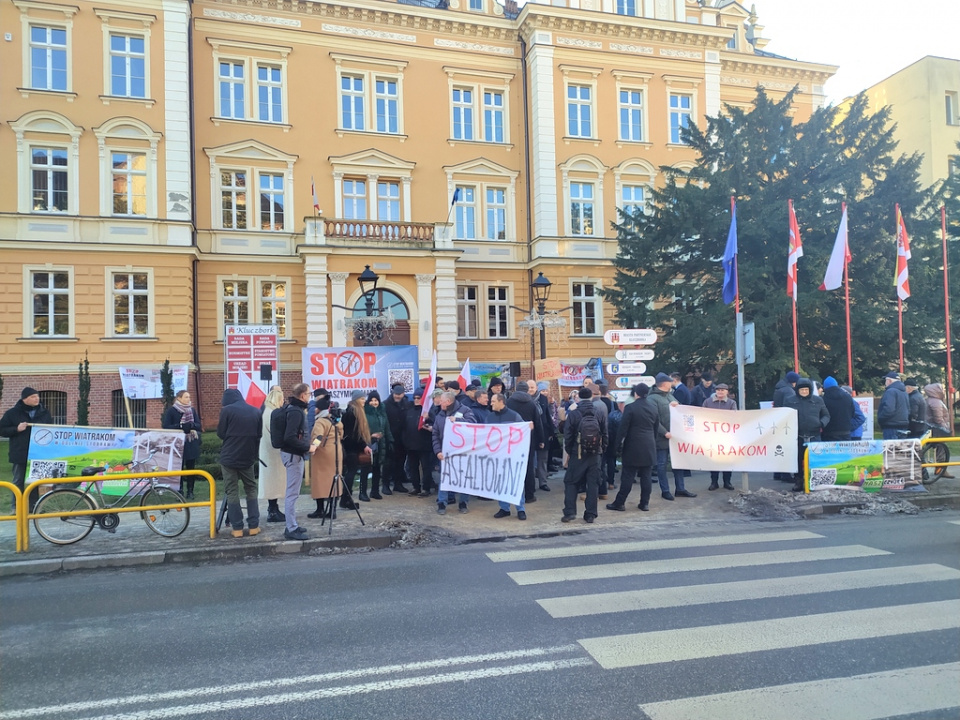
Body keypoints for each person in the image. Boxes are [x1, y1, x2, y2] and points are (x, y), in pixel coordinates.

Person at [217, 388, 263, 538]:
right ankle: (254, 526)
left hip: (229, 457)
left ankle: (237, 528)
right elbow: (259, 435)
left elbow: (221, 434)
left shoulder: (227, 411)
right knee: (251, 489)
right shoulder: (256, 411)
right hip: (247, 457)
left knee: (232, 491)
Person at [0, 387, 53, 511]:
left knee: (35, 481)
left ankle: (34, 507)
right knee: (18, 481)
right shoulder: (12, 413)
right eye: (33, 397)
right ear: (25, 399)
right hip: (20, 452)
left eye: (37, 396)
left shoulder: (44, 413)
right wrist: (16, 429)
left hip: (38, 453)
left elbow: (50, 429)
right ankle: (16, 508)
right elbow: (2, 429)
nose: (37, 399)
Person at [607, 383, 657, 512]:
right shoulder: (653, 407)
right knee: (646, 476)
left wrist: (616, 446)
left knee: (628, 476)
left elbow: (623, 429)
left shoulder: (630, 408)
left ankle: (620, 503)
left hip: (633, 446)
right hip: (649, 445)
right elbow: (655, 429)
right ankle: (644, 503)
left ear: (636, 394)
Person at [562, 387, 607, 523]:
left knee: (571, 482)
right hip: (595, 454)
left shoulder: (574, 414)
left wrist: (570, 452)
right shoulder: (598, 412)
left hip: (578, 453)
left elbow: (568, 435)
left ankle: (570, 512)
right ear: (591, 397)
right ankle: (590, 514)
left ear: (579, 398)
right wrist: (601, 449)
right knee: (593, 484)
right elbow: (605, 433)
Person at [649, 373, 696, 500]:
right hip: (662, 437)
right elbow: (654, 420)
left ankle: (680, 488)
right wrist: (664, 432)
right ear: (664, 384)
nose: (672, 383)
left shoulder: (670, 395)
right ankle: (665, 490)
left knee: (678, 463)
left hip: (675, 437)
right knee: (662, 464)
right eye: (670, 382)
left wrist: (678, 406)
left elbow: (679, 412)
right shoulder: (652, 399)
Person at [277, 383, 315, 540]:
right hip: (293, 455)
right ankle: (291, 528)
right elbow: (290, 437)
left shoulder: (293, 409)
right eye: (309, 393)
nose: (310, 396)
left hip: (292, 455)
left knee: (293, 492)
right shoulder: (296, 411)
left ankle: (292, 525)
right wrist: (308, 447)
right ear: (302, 395)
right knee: (292, 493)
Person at [432, 390, 478, 515]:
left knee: (464, 478)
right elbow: (435, 435)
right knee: (444, 479)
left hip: (463, 453)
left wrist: (458, 420)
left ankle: (463, 503)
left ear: (448, 401)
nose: (439, 403)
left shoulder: (465, 410)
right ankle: (442, 503)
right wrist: (438, 451)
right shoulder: (440, 415)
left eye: (441, 401)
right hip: (445, 454)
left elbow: (473, 424)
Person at [785, 378, 830, 492]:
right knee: (798, 460)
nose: (804, 391)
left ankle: (814, 481)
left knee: (815, 460)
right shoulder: (790, 400)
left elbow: (826, 415)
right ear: (797, 390)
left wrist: (821, 424)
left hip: (814, 435)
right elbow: (784, 415)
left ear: (810, 390)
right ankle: (799, 481)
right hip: (797, 435)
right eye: (802, 390)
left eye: (806, 389)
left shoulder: (818, 400)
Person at [487, 393, 527, 520]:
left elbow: (523, 431)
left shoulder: (514, 416)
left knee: (515, 481)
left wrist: (528, 427)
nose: (491, 403)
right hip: (497, 456)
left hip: (512, 455)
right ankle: (504, 508)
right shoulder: (490, 417)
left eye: (493, 401)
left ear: (501, 401)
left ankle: (520, 508)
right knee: (500, 482)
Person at [507, 380, 544, 504]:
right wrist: (541, 440)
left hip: (512, 440)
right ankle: (529, 495)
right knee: (528, 467)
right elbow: (538, 423)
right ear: (526, 390)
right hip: (529, 440)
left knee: (514, 467)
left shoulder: (509, 402)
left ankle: (514, 493)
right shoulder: (531, 403)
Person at [161, 390, 202, 499]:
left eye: (189, 397)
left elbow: (198, 425)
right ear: (179, 398)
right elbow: (166, 426)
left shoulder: (192, 410)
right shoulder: (172, 411)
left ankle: (190, 491)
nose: (189, 399)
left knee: (190, 468)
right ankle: (179, 491)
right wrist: (180, 426)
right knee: (179, 469)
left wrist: (191, 425)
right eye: (186, 397)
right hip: (177, 444)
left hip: (190, 443)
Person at [307, 394, 343, 519]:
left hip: (322, 455)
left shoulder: (320, 422)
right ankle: (332, 510)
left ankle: (320, 509)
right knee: (334, 480)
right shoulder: (335, 421)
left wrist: (314, 447)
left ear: (318, 409)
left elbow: (318, 437)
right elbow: (341, 434)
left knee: (320, 481)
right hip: (335, 453)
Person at [259, 385, 287, 522]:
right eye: (282, 400)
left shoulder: (267, 411)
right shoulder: (271, 413)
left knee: (273, 481)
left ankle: (274, 508)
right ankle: (272, 511)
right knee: (273, 482)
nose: (283, 402)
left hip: (268, 452)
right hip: (272, 453)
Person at [340, 390, 372, 508]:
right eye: (362, 399)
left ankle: (345, 499)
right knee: (351, 473)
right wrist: (363, 446)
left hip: (351, 446)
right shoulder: (352, 412)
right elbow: (354, 433)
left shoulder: (353, 411)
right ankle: (346, 499)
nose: (364, 401)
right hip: (350, 448)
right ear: (356, 399)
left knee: (351, 473)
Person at [702, 383, 737, 490]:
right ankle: (714, 482)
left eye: (723, 390)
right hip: (712, 436)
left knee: (727, 459)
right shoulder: (708, 402)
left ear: (727, 391)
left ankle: (727, 482)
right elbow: (701, 415)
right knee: (713, 460)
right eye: (718, 390)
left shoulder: (732, 403)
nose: (720, 392)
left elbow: (735, 417)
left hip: (727, 436)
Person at [402, 388, 435, 496]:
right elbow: (404, 427)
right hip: (411, 445)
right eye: (415, 398)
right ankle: (416, 487)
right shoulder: (409, 410)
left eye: (419, 398)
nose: (416, 400)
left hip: (425, 445)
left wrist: (429, 418)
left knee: (426, 468)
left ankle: (426, 488)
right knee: (413, 468)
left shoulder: (428, 411)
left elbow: (436, 424)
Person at [362, 390, 392, 501]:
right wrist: (370, 435)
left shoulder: (382, 412)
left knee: (377, 468)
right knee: (366, 468)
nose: (374, 403)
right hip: (369, 443)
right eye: (372, 400)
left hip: (381, 443)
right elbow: (362, 429)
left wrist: (390, 440)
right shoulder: (365, 413)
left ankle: (375, 491)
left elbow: (386, 427)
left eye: (376, 400)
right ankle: (363, 492)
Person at [383, 384, 411, 494]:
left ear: (403, 394)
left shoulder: (406, 404)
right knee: (388, 463)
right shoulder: (385, 405)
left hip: (402, 438)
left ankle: (397, 484)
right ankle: (385, 485)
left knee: (400, 462)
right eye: (396, 394)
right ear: (392, 393)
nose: (398, 396)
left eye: (400, 394)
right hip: (390, 438)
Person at [821, 376, 861, 442]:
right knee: (845, 452)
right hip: (846, 433)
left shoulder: (823, 399)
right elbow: (852, 413)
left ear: (825, 388)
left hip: (828, 434)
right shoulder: (847, 397)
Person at [877, 371, 910, 440]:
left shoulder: (890, 391)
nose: (885, 383)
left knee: (891, 449)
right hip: (903, 424)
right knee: (901, 449)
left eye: (885, 380)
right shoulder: (904, 392)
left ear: (889, 381)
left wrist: (880, 419)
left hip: (891, 425)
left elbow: (888, 409)